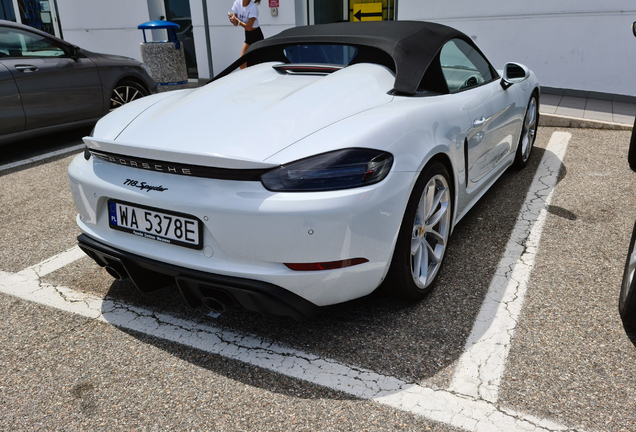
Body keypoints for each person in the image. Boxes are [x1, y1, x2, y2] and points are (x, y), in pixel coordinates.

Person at [229, 0, 264, 69]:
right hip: (248, 37)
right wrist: (232, 20)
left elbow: (249, 27)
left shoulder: (253, 8)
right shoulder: (237, 3)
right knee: (242, 63)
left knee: (257, 64)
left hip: (257, 38)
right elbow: (236, 23)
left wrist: (238, 21)